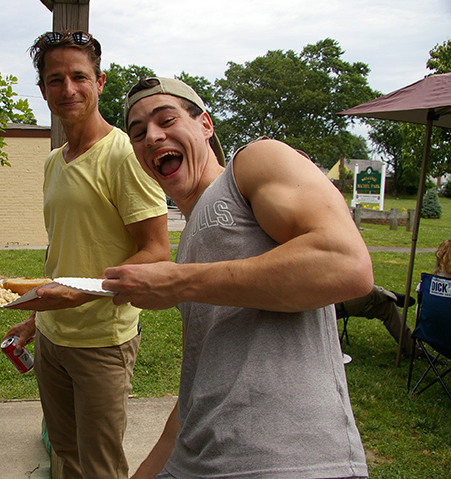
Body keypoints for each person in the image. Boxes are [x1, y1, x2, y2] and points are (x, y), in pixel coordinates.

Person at [102, 77, 374, 479]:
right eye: (138, 133)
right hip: (196, 459)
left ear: (205, 125)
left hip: (286, 460)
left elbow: (346, 264)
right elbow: (198, 382)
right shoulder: (188, 242)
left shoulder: (254, 162)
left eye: (166, 120)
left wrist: (178, 282)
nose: (152, 137)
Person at [4, 32, 169, 478]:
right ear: (43, 90)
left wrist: (81, 293)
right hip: (53, 337)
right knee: (64, 453)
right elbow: (64, 250)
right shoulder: (53, 161)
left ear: (99, 82)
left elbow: (156, 250)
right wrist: (35, 319)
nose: (68, 89)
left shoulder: (125, 155)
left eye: (79, 77)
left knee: (99, 466)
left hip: (102, 341)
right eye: (55, 80)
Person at [335, 285, 418, 357]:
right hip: (330, 303)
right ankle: (391, 295)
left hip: (339, 295)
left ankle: (413, 350)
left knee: (387, 305)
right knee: (370, 291)